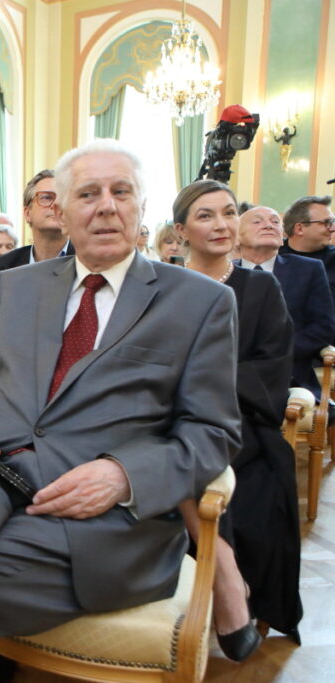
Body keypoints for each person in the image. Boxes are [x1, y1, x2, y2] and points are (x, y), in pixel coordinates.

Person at [0, 139, 240, 681]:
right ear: (60, 208)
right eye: (88, 193)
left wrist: (122, 475)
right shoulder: (14, 286)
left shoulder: (200, 301)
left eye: (120, 191)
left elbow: (211, 433)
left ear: (142, 208)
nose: (106, 205)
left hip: (103, 516)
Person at [176, 181, 301, 652]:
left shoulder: (261, 288)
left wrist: (198, 382)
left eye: (229, 213)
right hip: (165, 417)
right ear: (181, 229)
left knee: (229, 464)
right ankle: (224, 576)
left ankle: (225, 578)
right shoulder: (161, 282)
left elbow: (272, 366)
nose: (222, 224)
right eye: (205, 215)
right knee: (175, 439)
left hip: (240, 421)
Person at [0, 169, 74, 348]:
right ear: (27, 213)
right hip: (7, 368)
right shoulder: (2, 268)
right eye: (46, 198)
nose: (55, 205)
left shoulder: (88, 263)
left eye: (63, 198)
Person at [238, 205, 335, 401]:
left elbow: (323, 327)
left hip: (289, 373)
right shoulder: (226, 273)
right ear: (237, 237)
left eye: (275, 222)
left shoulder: (308, 269)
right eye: (257, 222)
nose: (268, 225)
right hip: (231, 371)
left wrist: (277, 352)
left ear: (282, 234)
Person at [279, 195, 335, 305]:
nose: (333, 229)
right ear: (299, 228)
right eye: (326, 223)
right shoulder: (272, 255)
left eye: (332, 222)